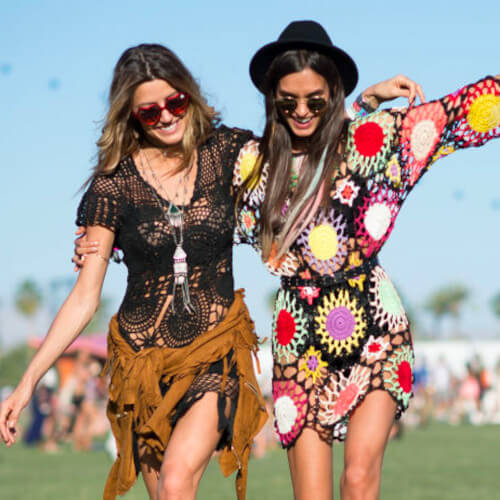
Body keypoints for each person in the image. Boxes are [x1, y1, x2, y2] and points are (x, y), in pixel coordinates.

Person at [0, 41, 419, 500]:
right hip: (141, 367)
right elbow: (85, 297)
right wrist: (27, 383)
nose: (166, 117)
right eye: (149, 112)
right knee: (168, 493)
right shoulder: (111, 187)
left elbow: (302, 140)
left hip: (213, 355)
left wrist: (365, 103)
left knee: (176, 482)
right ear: (130, 116)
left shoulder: (228, 153)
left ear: (189, 95)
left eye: (175, 102)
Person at [233, 20, 499, 500]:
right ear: (272, 99)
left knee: (357, 480)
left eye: (315, 102)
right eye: (288, 102)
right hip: (299, 337)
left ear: (333, 95)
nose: (301, 112)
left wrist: (364, 108)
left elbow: (462, 111)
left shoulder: (369, 141)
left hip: (376, 327)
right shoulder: (253, 165)